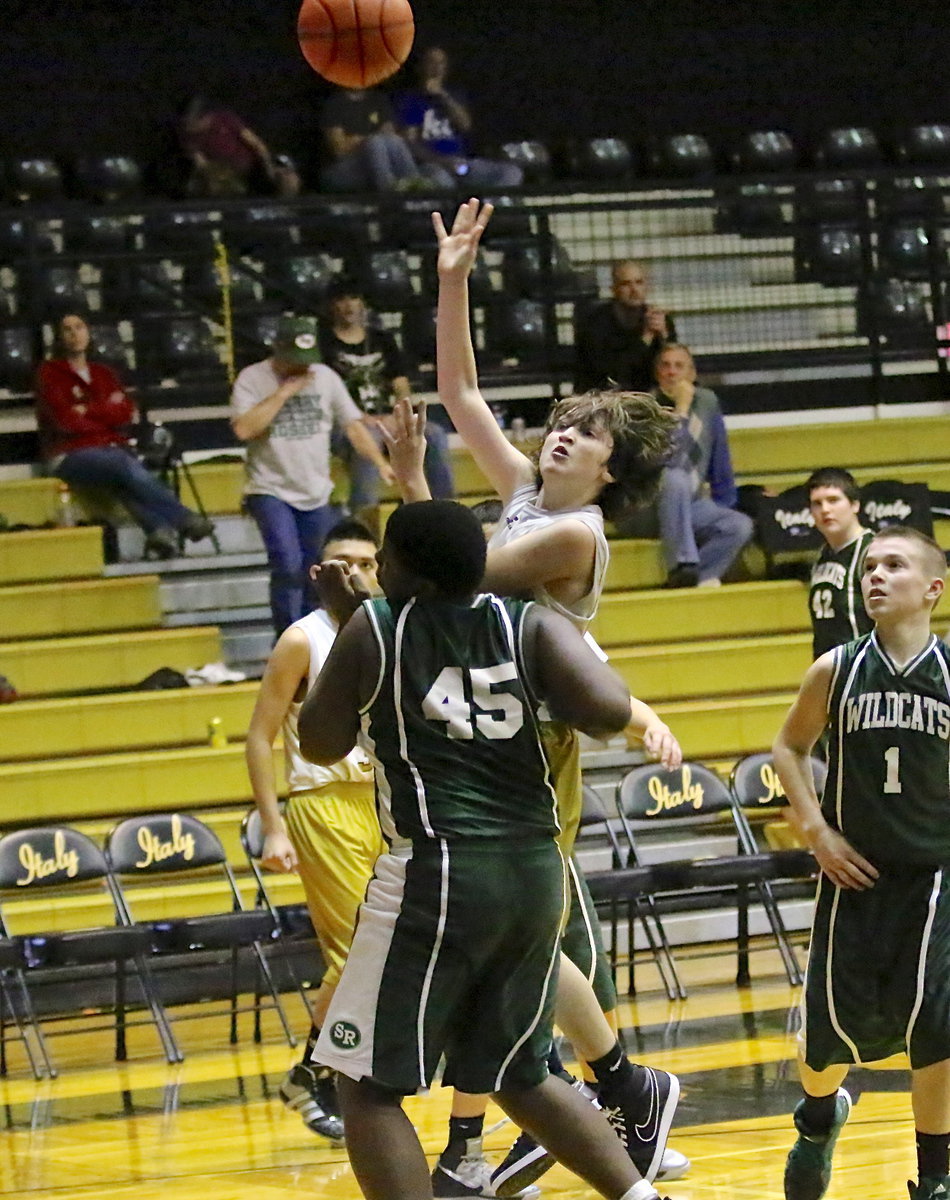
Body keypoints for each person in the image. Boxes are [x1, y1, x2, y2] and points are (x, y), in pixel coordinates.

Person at [386, 198, 687, 1194]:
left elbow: (462, 569)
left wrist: (412, 494)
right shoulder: (522, 484)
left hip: (534, 746)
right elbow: (459, 386)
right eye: (564, 422)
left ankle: (586, 1088)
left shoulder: (575, 537)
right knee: (525, 931)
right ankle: (609, 1087)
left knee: (523, 929)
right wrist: (452, 277)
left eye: (586, 435)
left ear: (613, 470)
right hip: (489, 728)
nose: (561, 437)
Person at [297, 498, 670, 1200]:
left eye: (387, 562)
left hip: (438, 869)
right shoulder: (527, 623)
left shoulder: (375, 626)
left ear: (408, 573)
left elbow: (320, 741)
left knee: (363, 1083)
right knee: (519, 1072)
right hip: (533, 874)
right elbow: (608, 708)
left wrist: (349, 622)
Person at [772, 525, 950, 1200]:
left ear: (932, 589)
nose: (874, 574)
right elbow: (787, 748)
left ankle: (935, 1175)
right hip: (852, 877)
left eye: (894, 565)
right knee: (826, 1045)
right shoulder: (837, 668)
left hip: (933, 876)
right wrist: (815, 831)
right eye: (869, 566)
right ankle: (819, 1117)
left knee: (935, 1025)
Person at [245, 518, 382, 1143]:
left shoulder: (387, 630)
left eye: (367, 560)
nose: (356, 570)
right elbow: (258, 735)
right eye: (343, 560)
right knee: (357, 950)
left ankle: (318, 1071)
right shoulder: (302, 639)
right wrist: (273, 827)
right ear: (318, 572)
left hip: (386, 804)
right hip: (323, 803)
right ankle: (317, 1072)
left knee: (386, 948)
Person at [229, 314, 394, 635]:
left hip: (316, 491)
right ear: (277, 350)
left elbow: (353, 425)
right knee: (286, 564)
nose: (302, 368)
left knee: (314, 572)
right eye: (294, 360)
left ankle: (310, 636)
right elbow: (244, 428)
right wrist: (284, 393)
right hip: (269, 487)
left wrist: (380, 463)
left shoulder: (325, 377)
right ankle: (285, 639)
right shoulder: (252, 379)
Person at [35, 311, 214, 560]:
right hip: (68, 454)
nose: (75, 334)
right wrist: (105, 412)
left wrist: (87, 410)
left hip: (110, 449)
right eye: (68, 329)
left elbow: (124, 413)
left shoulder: (104, 373)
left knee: (121, 472)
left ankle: (159, 531)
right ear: (58, 337)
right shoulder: (49, 373)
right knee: (121, 464)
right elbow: (66, 422)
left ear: (88, 333)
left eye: (79, 327)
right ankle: (184, 519)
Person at [318, 278, 454, 527]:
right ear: (331, 306)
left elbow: (400, 384)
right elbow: (326, 394)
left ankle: (443, 513)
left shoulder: (383, 339)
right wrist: (361, 418)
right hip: (348, 423)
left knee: (435, 434)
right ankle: (364, 525)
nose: (348, 305)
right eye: (341, 300)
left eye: (354, 298)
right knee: (367, 442)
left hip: (388, 417)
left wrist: (401, 414)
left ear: (363, 304)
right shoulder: (323, 344)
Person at [651, 343, 753, 588]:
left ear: (692, 374)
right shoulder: (645, 407)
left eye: (679, 366)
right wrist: (682, 409)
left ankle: (692, 578)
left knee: (738, 525)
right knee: (675, 477)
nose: (672, 372)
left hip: (693, 503)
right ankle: (682, 564)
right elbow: (670, 459)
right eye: (665, 366)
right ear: (657, 374)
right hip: (651, 506)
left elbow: (720, 459)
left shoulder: (707, 402)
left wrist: (725, 504)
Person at [395, 46, 523, 192]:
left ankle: (488, 211)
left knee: (512, 172)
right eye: (431, 62)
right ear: (420, 67)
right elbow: (410, 144)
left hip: (462, 162)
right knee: (443, 183)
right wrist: (442, 161)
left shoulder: (454, 95)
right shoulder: (410, 100)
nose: (436, 67)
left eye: (441, 63)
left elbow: (465, 125)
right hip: (432, 165)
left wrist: (442, 96)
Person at [574, 260, 676, 394]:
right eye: (626, 284)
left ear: (647, 287)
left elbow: (676, 365)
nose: (634, 290)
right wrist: (646, 338)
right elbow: (614, 376)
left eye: (639, 282)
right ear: (614, 289)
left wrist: (664, 337)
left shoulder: (658, 319)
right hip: (605, 396)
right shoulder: (595, 323)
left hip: (651, 393)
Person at [319, 86, 441, 193]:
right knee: (375, 143)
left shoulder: (378, 100)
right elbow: (340, 150)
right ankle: (389, 196)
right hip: (345, 168)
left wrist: (356, 139)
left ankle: (415, 189)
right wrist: (369, 139)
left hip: (382, 162)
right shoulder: (334, 104)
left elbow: (389, 135)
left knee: (394, 141)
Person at [806, 467, 873, 659]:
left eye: (833, 500)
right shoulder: (821, 555)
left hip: (868, 674)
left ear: (855, 505)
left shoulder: (874, 552)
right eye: (817, 503)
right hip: (831, 671)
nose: (825, 509)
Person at [178, 95, 300, 198]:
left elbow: (257, 144)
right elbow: (203, 165)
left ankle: (289, 214)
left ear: (207, 118)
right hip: (224, 175)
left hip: (253, 168)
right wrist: (220, 176)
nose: (190, 127)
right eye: (187, 123)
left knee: (289, 179)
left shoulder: (225, 119)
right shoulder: (188, 136)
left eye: (193, 123)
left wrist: (269, 169)